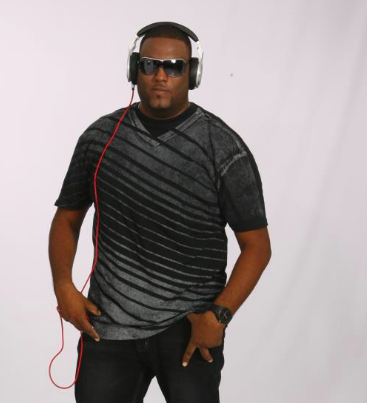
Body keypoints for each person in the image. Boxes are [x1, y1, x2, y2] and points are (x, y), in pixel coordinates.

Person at [49, 22, 272, 403]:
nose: (161, 76)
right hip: (108, 325)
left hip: (189, 329)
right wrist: (64, 288)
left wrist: (218, 316)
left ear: (193, 73)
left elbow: (257, 246)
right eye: (150, 64)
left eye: (174, 66)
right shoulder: (100, 138)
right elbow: (67, 218)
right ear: (134, 69)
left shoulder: (222, 147)